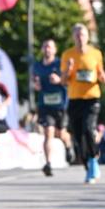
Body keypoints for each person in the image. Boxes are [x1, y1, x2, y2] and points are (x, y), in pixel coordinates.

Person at [61, 23, 105, 184]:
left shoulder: (96, 53)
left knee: (89, 129)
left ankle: (94, 160)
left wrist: (104, 78)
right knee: (77, 135)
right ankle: (88, 164)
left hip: (92, 98)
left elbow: (101, 74)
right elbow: (63, 81)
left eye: (82, 35)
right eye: (77, 35)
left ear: (87, 37)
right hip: (75, 99)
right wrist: (68, 70)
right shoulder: (68, 54)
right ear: (73, 37)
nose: (80, 38)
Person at [31, 38, 72, 176]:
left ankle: (68, 146)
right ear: (42, 49)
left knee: (61, 134)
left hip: (60, 105)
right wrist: (36, 85)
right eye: (45, 46)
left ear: (54, 50)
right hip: (45, 105)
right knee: (48, 133)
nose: (47, 49)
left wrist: (59, 80)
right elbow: (34, 81)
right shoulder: (37, 66)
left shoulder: (60, 64)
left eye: (50, 47)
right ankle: (48, 163)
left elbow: (67, 81)